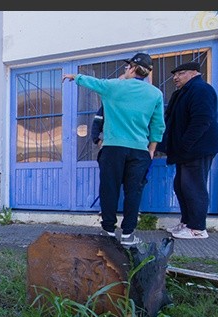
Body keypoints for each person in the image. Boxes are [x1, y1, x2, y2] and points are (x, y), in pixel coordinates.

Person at [63, 52, 165, 247]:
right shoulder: (155, 94)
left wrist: (75, 77)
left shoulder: (114, 87)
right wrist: (151, 149)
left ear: (133, 68)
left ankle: (108, 231)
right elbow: (158, 125)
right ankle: (128, 234)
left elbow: (94, 83)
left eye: (127, 67)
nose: (125, 70)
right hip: (139, 150)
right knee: (133, 191)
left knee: (109, 189)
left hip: (113, 149)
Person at [156, 61, 218, 239]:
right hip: (185, 149)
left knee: (194, 186)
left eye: (180, 73)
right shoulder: (184, 92)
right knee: (181, 186)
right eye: (174, 75)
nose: (175, 78)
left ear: (193, 73)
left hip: (197, 148)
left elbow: (202, 120)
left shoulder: (201, 89)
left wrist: (185, 145)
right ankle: (187, 222)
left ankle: (197, 228)